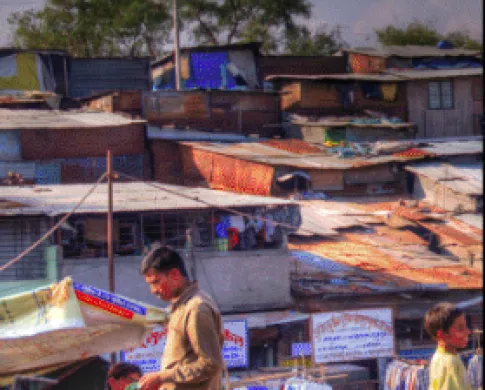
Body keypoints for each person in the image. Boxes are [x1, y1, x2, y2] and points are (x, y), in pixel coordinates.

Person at [138, 245, 224, 390]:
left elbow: (210, 364)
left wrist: (162, 376)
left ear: (174, 275)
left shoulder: (196, 309)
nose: (153, 291)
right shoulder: (180, 307)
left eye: (156, 282)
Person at [424, 302, 472, 390]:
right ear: (441, 335)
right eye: (460, 328)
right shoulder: (451, 362)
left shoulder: (438, 357)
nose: (468, 332)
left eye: (465, 326)